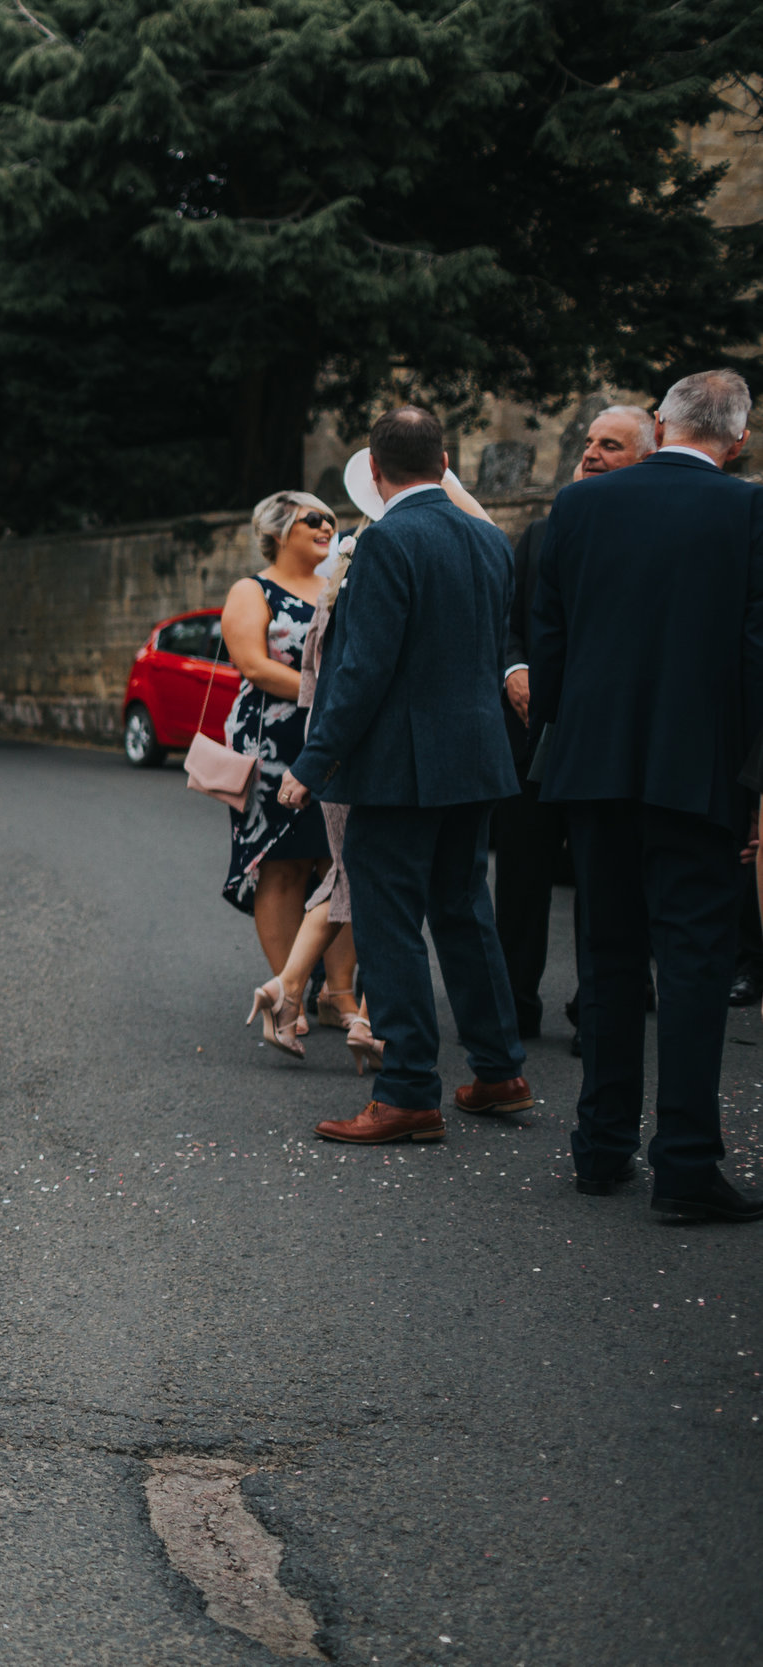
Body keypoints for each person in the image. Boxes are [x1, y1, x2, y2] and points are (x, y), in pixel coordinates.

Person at [530, 369, 763, 1223]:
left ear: (660, 427)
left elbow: (548, 642)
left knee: (608, 951)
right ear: (736, 440)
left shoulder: (579, 508)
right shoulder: (749, 512)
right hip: (696, 772)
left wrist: (560, 736)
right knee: (695, 966)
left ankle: (600, 1147)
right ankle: (686, 1164)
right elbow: (756, 656)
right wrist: (755, 784)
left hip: (591, 765)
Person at [279, 407, 529, 1144]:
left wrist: (313, 760)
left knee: (388, 921)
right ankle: (499, 1069)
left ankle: (408, 1089)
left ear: (377, 472)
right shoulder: (490, 541)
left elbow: (362, 669)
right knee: (462, 910)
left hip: (398, 768)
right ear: (446, 459)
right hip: (477, 758)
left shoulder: (387, 541)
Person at [497, 408, 655, 1045]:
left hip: (609, 741)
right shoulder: (539, 532)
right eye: (588, 442)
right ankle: (510, 1008)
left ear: (646, 459)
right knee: (519, 879)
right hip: (532, 733)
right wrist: (513, 667)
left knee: (604, 881)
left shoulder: (656, 537)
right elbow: (507, 620)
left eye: (609, 445)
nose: (589, 453)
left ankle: (599, 1009)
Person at [225, 492, 352, 1047]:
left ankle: (338, 994)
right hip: (272, 741)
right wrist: (328, 694)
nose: (328, 525)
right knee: (280, 865)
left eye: (331, 518)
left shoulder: (340, 586)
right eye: (313, 519)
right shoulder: (252, 590)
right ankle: (288, 989)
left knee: (339, 865)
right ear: (279, 531)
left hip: (336, 739)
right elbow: (252, 663)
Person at [262, 537, 380, 1068]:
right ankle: (375, 1019)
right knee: (383, 880)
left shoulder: (330, 598)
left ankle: (287, 988)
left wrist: (314, 758)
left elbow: (311, 686)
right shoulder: (377, 590)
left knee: (347, 874)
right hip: (366, 749)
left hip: (328, 745)